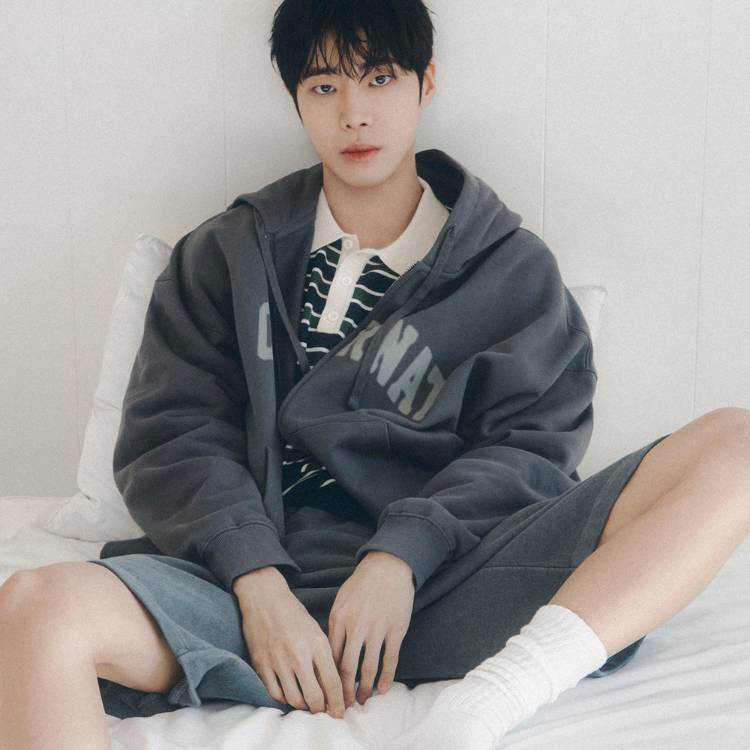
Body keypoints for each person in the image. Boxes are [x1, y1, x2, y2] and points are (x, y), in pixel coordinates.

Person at [2, 2, 749, 748]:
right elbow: (172, 436)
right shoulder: (224, 255)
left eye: (381, 79)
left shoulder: (511, 271)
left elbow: (531, 448)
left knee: (737, 443)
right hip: (245, 592)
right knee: (34, 604)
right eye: (325, 87)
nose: (355, 114)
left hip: (451, 581)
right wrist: (257, 584)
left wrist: (400, 557)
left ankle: (490, 700)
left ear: (427, 83)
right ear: (296, 98)